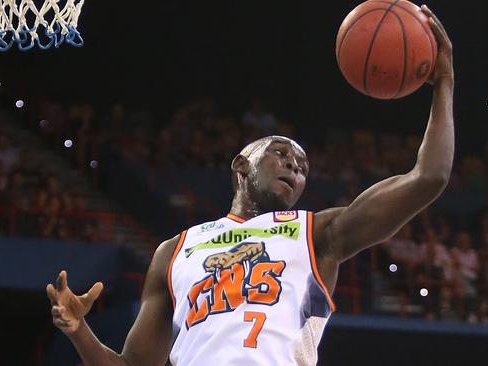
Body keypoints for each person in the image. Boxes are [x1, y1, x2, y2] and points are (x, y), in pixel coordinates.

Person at [45, 6, 454, 366]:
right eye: (282, 154)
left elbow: (428, 178)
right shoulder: (173, 251)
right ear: (242, 166)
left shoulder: (317, 234)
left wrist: (444, 85)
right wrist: (79, 329)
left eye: (303, 167)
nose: (295, 167)